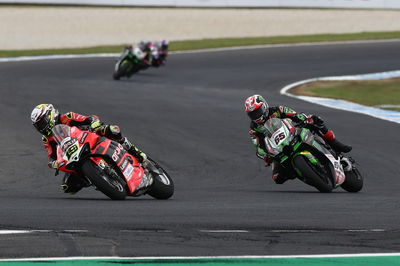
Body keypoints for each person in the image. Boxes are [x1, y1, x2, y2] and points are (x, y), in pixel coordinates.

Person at [31, 104, 147, 194]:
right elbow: (52, 155)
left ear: (50, 116)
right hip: (74, 154)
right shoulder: (46, 139)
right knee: (68, 187)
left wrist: (94, 123)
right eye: (38, 125)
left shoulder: (67, 117)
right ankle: (97, 178)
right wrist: (55, 163)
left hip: (90, 137)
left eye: (42, 122)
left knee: (112, 130)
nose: (41, 127)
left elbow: (88, 119)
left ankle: (134, 151)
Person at [245, 94, 352, 184]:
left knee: (316, 121)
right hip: (278, 149)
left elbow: (294, 115)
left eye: (257, 111)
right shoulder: (254, 128)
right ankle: (298, 171)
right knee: (277, 178)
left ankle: (336, 145)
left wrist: (305, 119)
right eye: (252, 114)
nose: (256, 116)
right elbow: (258, 145)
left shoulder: (277, 110)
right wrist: (265, 155)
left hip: (292, 133)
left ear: (264, 106)